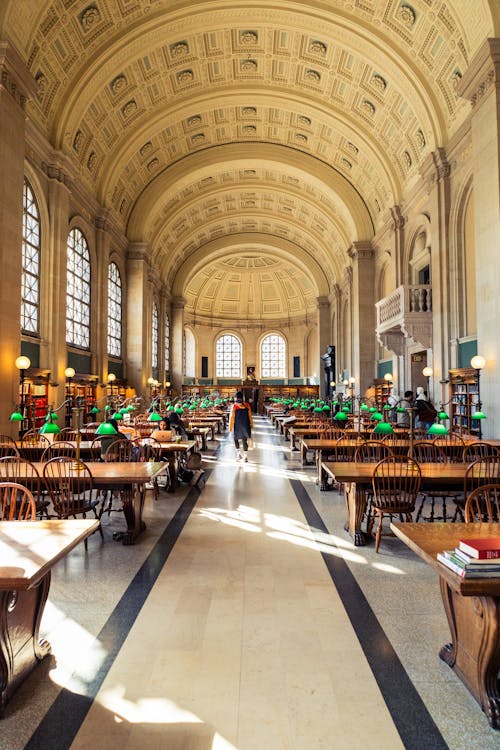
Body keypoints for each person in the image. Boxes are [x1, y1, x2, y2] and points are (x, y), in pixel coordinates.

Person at [229, 390, 253, 462]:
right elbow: (250, 416)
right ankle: (245, 456)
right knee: (244, 440)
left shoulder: (234, 406)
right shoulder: (247, 405)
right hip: (246, 425)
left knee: (236, 439)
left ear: (236, 397)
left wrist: (230, 428)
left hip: (237, 425)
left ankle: (238, 454)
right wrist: (251, 425)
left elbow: (231, 417)